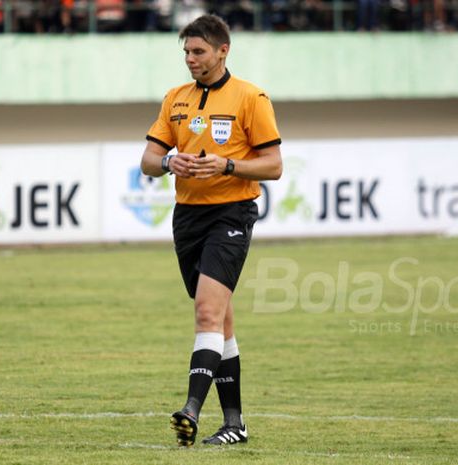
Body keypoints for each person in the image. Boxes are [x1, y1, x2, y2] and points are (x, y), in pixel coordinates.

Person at [140, 14, 282, 447]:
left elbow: (274, 166)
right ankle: (235, 423)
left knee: (206, 311)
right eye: (186, 52)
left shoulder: (251, 97)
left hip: (232, 215)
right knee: (220, 322)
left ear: (223, 51)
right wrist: (169, 162)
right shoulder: (175, 98)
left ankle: (191, 409)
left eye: (198, 52)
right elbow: (147, 160)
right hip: (188, 218)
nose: (190, 59)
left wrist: (227, 165)